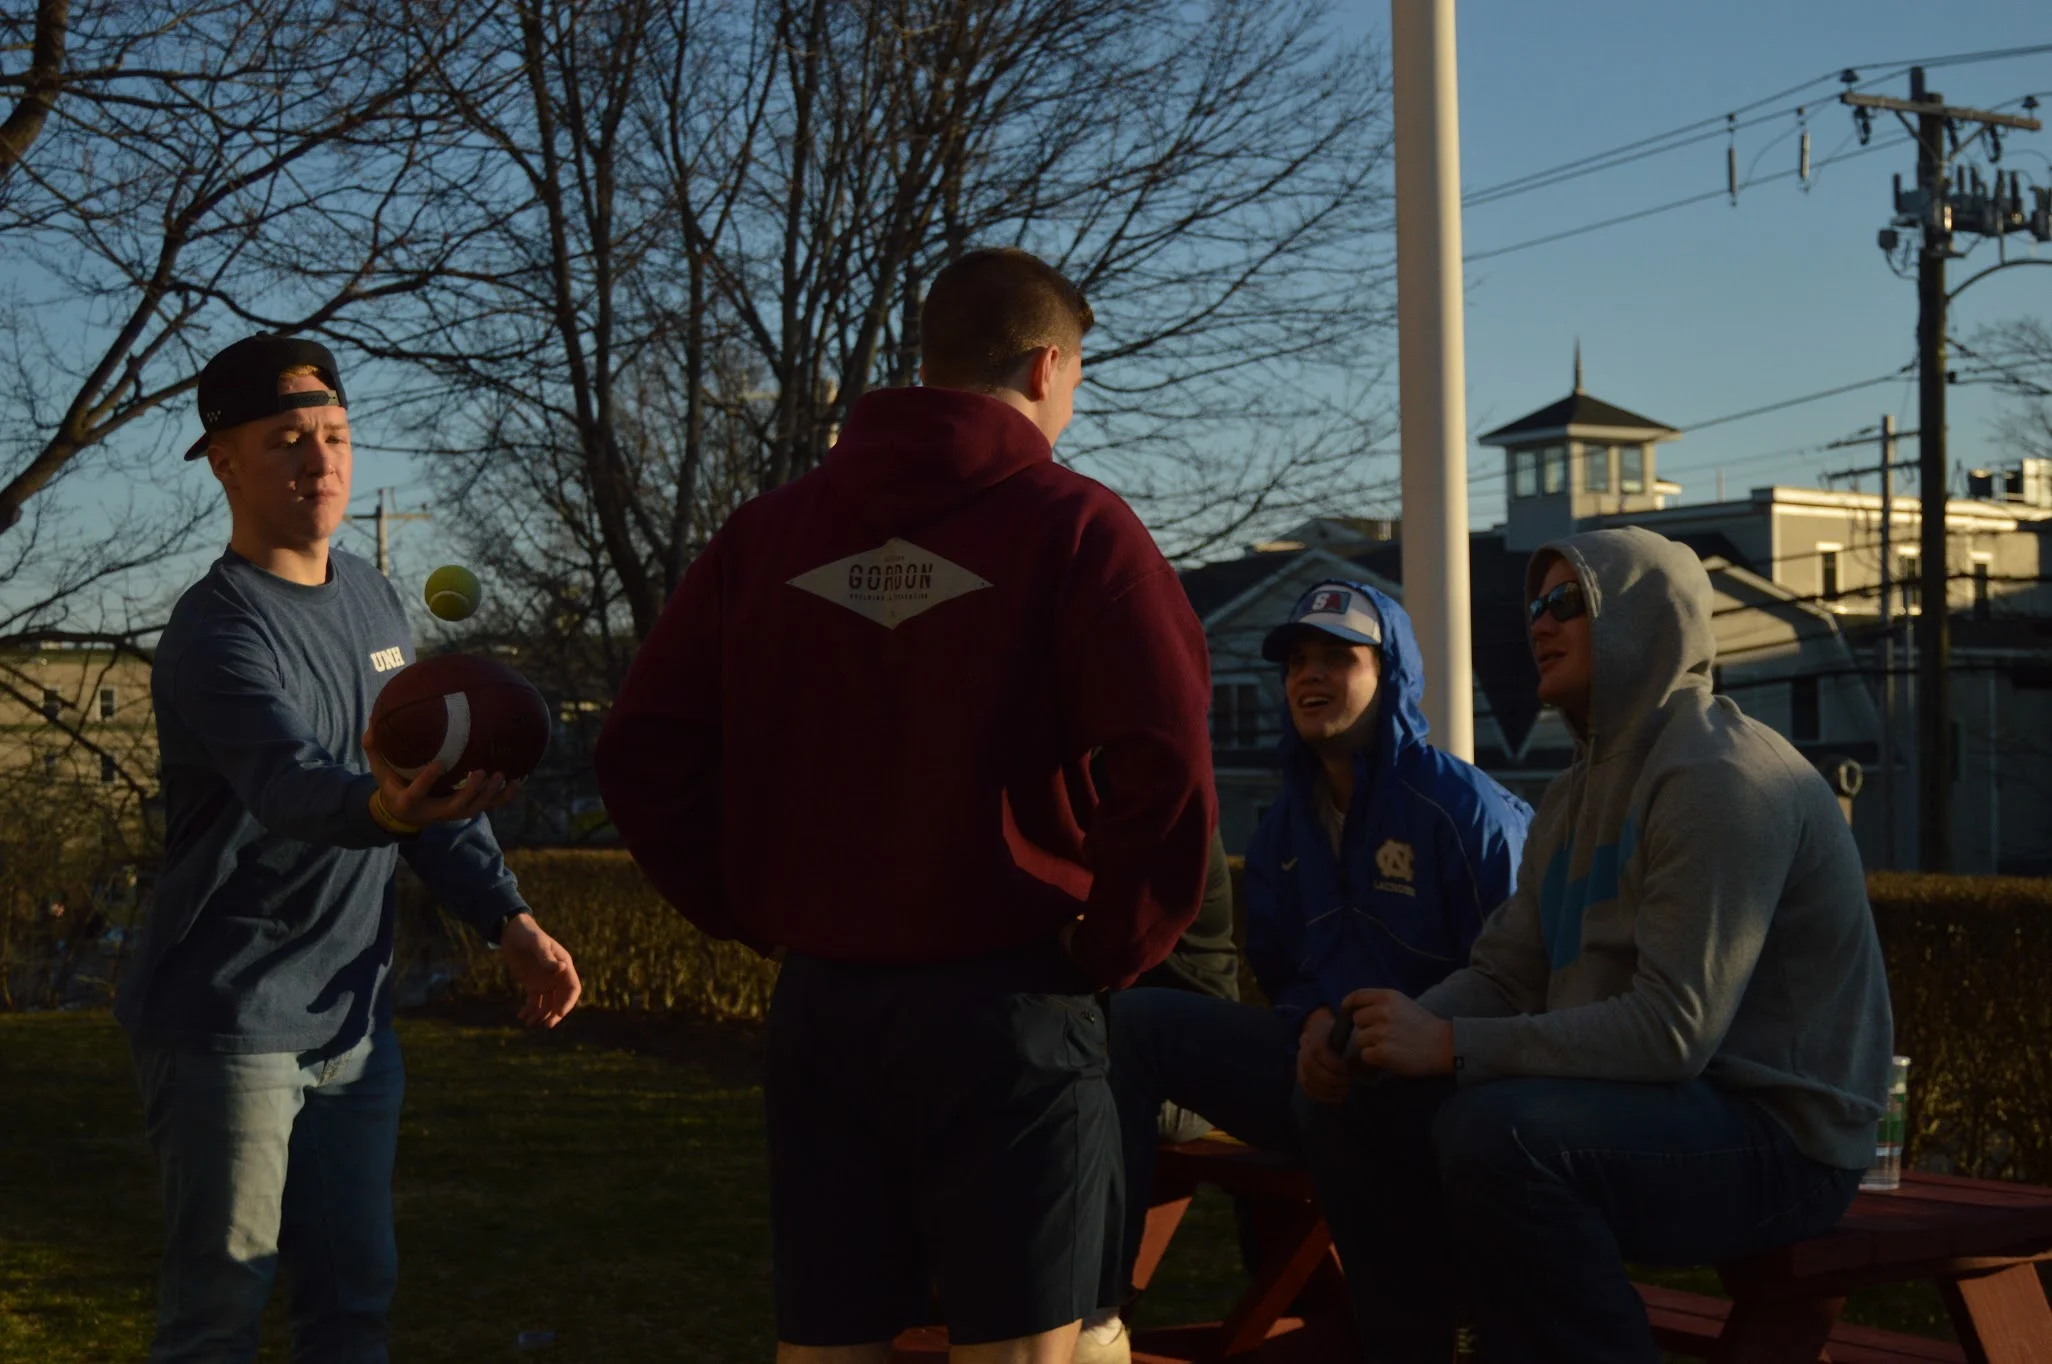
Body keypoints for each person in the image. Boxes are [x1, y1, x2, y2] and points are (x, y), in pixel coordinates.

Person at [593, 247, 1216, 1364]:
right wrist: (1113, 942)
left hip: (825, 1009)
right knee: (1033, 1347)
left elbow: (642, 749)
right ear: (1046, 363)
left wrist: (745, 903)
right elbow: (1165, 761)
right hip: (1011, 1005)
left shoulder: (767, 535)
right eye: (1077, 381)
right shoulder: (1076, 527)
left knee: (828, 1345)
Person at [1311, 526, 1894, 1362]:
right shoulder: (1570, 796)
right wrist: (1377, 1035)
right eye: (1533, 607)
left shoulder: (1722, 779)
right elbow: (1506, 975)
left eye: (1568, 603)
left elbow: (1671, 1031)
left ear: (1644, 617)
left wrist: (1450, 1046)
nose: (1538, 625)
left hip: (1782, 1138)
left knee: (1499, 1135)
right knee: (1353, 1101)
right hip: (1651, 1107)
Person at [119, 335, 583, 1364]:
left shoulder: (375, 599)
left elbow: (432, 791)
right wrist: (396, 810)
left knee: (354, 1299)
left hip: (354, 1020)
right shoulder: (215, 633)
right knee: (217, 1314)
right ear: (225, 461)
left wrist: (508, 916)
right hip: (228, 1020)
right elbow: (294, 789)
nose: (320, 461)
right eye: (288, 440)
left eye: (335, 436)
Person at [1079, 580, 1531, 1361]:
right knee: (1133, 1024)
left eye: (1337, 658)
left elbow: (1525, 981)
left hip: (1442, 1087)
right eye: (1296, 662)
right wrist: (1312, 1023)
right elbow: (1285, 971)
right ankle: (1094, 1311)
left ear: (1391, 677)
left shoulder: (1465, 811)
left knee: (1342, 1105)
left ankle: (1425, 1330)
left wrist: (1393, 1038)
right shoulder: (1285, 819)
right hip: (1317, 1066)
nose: (1309, 677)